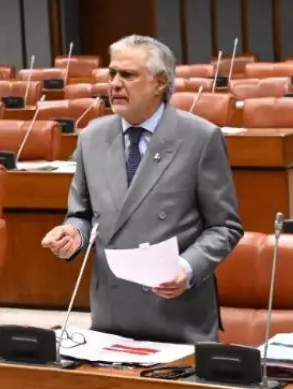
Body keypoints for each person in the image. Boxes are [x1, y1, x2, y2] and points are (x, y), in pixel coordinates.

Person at [40, 35, 243, 344]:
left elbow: (225, 226)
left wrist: (187, 267)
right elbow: (82, 214)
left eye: (128, 75)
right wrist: (74, 234)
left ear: (159, 83)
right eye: (112, 74)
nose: (115, 84)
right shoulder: (92, 138)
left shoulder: (200, 138)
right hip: (111, 313)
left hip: (176, 313)